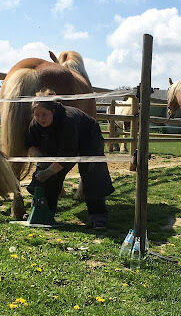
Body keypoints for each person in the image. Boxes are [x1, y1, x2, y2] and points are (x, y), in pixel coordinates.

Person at [24, 89, 114, 228]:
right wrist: (41, 160)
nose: (41, 118)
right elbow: (31, 145)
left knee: (92, 172)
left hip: (88, 138)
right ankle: (45, 211)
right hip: (62, 143)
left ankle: (98, 215)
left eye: (44, 114)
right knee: (48, 172)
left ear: (52, 112)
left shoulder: (68, 120)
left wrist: (48, 172)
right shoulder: (35, 125)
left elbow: (67, 156)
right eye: (37, 115)